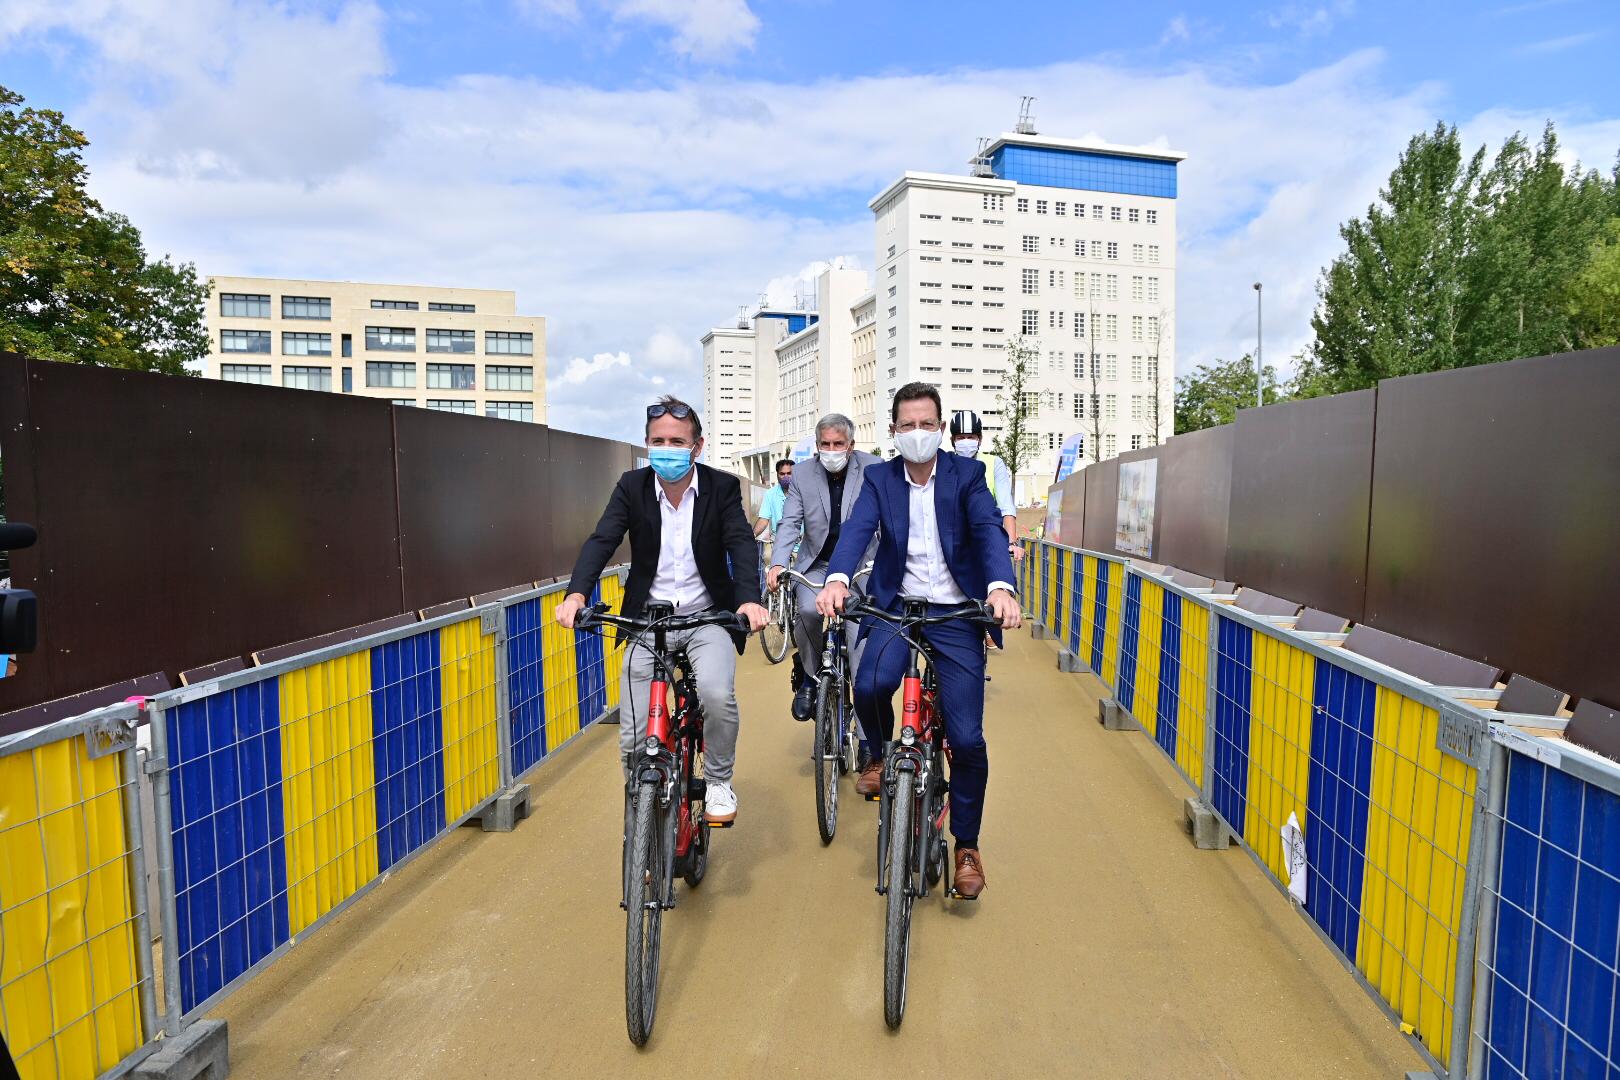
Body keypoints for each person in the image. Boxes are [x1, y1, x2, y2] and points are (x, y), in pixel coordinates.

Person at [817, 383, 1020, 900]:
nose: (917, 434)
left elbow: (989, 531)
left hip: (956, 614)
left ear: (941, 429)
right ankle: (881, 753)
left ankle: (967, 844)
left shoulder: (967, 475)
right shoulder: (881, 479)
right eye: (907, 425)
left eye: (927, 424)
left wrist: (1000, 587)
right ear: (893, 431)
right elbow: (858, 530)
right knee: (870, 686)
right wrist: (838, 578)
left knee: (967, 738)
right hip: (895, 607)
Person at [556, 396, 769, 824]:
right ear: (646, 443)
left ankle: (719, 780)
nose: (667, 448)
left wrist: (749, 600)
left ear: (698, 445)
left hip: (707, 617)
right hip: (647, 620)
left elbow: (742, 546)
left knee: (714, 693)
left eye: (677, 440)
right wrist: (577, 594)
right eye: (658, 440)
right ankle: (643, 813)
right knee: (635, 733)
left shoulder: (722, 488)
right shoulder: (631, 486)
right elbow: (603, 539)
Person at [767, 413, 880, 720]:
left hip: (860, 568)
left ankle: (867, 731)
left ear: (851, 444)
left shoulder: (874, 469)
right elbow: (790, 522)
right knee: (806, 611)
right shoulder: (802, 474)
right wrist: (778, 563)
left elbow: (887, 521)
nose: (831, 450)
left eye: (838, 444)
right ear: (817, 446)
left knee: (861, 640)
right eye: (825, 444)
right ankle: (810, 676)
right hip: (817, 564)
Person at [948, 410, 1022, 565]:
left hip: (985, 541)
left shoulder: (994, 463)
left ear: (979, 439)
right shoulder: (945, 464)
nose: (966, 441)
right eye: (961, 437)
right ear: (952, 440)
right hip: (952, 544)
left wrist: (1011, 543)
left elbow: (1006, 506)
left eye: (971, 437)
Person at [753, 459, 794, 541]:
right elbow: (763, 519)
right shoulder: (770, 494)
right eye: (782, 474)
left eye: (789, 473)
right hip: (777, 544)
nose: (786, 476)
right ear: (777, 475)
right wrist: (751, 536)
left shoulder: (803, 493)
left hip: (800, 547)